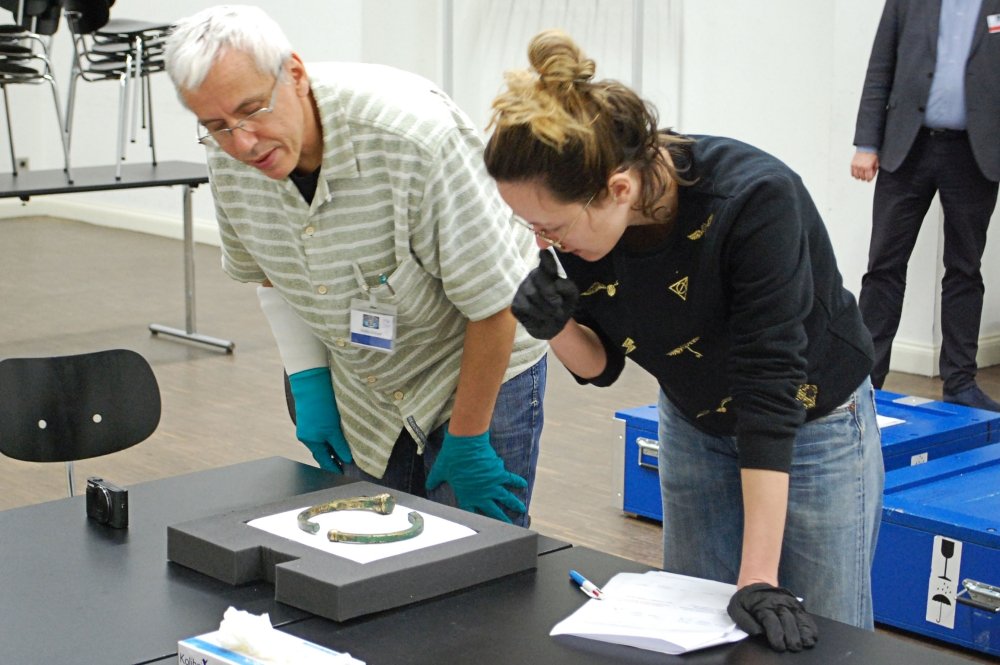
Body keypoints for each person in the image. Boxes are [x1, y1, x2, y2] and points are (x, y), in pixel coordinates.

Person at [483, 29, 884, 651]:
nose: (542, 242)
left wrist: (757, 577)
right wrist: (555, 326)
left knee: (824, 634)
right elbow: (603, 365)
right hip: (694, 418)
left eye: (551, 225)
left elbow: (769, 382)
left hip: (809, 421)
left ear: (618, 188)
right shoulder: (591, 227)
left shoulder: (754, 200)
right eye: (531, 226)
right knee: (698, 626)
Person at [163, 5, 548, 526]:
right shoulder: (230, 154)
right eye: (216, 126)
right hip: (362, 383)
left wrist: (469, 437)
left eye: (252, 110)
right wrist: (309, 383)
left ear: (295, 74)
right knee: (370, 557)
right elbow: (275, 275)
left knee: (475, 563)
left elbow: (496, 302)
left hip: (478, 366)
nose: (242, 143)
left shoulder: (415, 139)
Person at [851, 0, 1000, 411]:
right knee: (883, 267)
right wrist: (867, 143)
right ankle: (864, 379)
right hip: (907, 150)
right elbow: (880, 67)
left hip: (975, 155)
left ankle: (960, 382)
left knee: (965, 270)